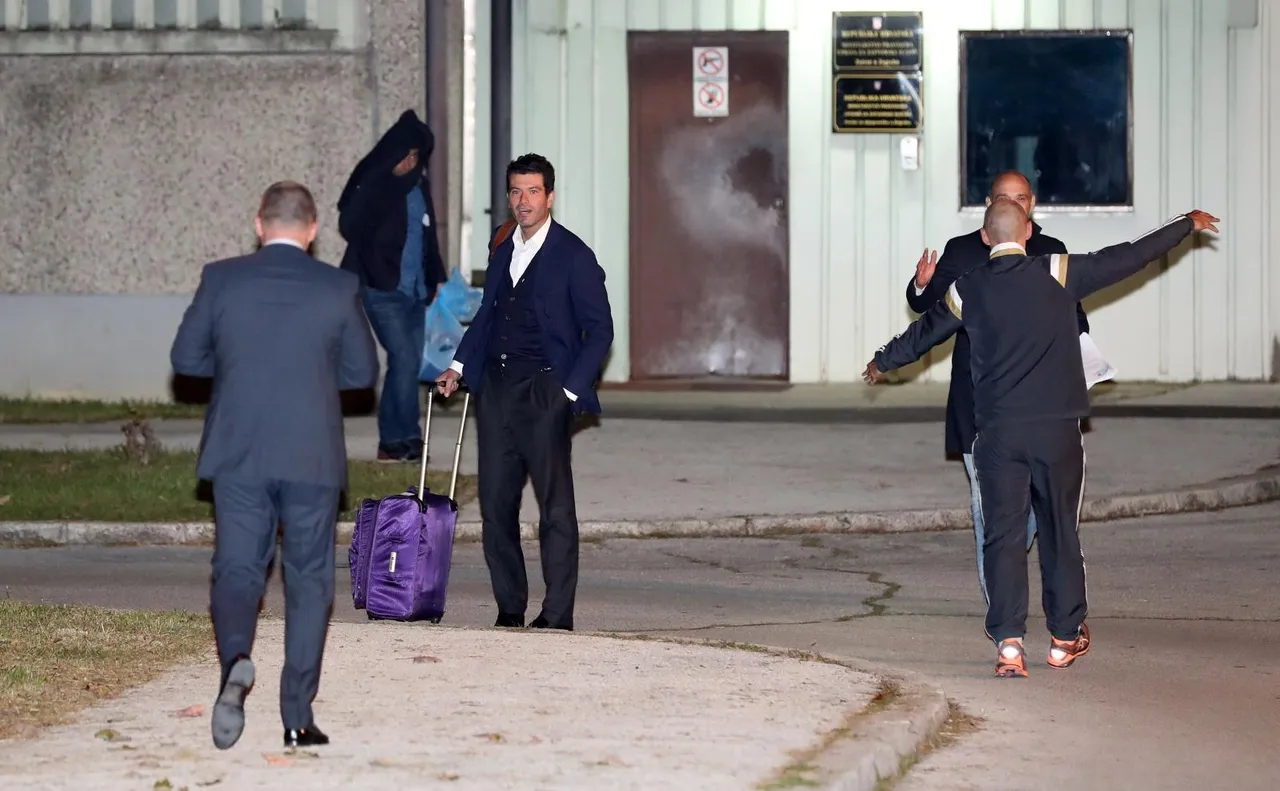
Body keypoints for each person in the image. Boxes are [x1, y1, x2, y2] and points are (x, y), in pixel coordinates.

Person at [864, 200, 1219, 678]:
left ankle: (1009, 644)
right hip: (1056, 432)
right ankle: (1064, 639)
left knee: (1002, 535)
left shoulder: (967, 288)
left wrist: (882, 361)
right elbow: (1130, 255)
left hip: (998, 435)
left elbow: (922, 334)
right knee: (1058, 530)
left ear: (985, 238)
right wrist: (1183, 225)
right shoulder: (1058, 271)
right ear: (1027, 232)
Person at [170, 181, 379, 749]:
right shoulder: (338, 286)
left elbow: (186, 358)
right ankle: (296, 717)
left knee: (238, 568)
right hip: (311, 453)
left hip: (239, 449)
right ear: (313, 231)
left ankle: (236, 660)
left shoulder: (222, 279)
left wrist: (241, 364)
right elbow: (362, 374)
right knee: (308, 580)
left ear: (259, 224)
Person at [435, 153, 613, 631]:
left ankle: (556, 614)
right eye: (516, 191)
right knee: (496, 506)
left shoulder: (574, 256)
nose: (524, 201)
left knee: (555, 509)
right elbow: (487, 315)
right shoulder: (502, 247)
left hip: (545, 390)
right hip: (495, 390)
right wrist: (457, 366)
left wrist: (569, 392)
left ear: (549, 197)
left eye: (533, 191)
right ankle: (510, 608)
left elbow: (600, 330)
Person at [906, 171, 1090, 604]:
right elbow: (928, 310)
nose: (1013, 203)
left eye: (1021, 198)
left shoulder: (1051, 252)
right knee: (986, 506)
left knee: (1034, 508)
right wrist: (922, 285)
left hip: (1042, 406)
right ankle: (1001, 610)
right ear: (988, 204)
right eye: (1004, 197)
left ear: (1032, 204)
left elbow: (1075, 318)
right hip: (979, 402)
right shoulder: (962, 250)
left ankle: (1006, 570)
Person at [338, 109, 448, 464]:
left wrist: (436, 276)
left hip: (414, 290)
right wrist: (382, 190)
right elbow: (349, 225)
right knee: (404, 358)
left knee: (408, 363)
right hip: (381, 287)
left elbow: (428, 235)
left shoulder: (420, 186)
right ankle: (398, 438)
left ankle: (400, 439)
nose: (409, 162)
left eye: (416, 155)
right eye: (404, 155)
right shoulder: (374, 182)